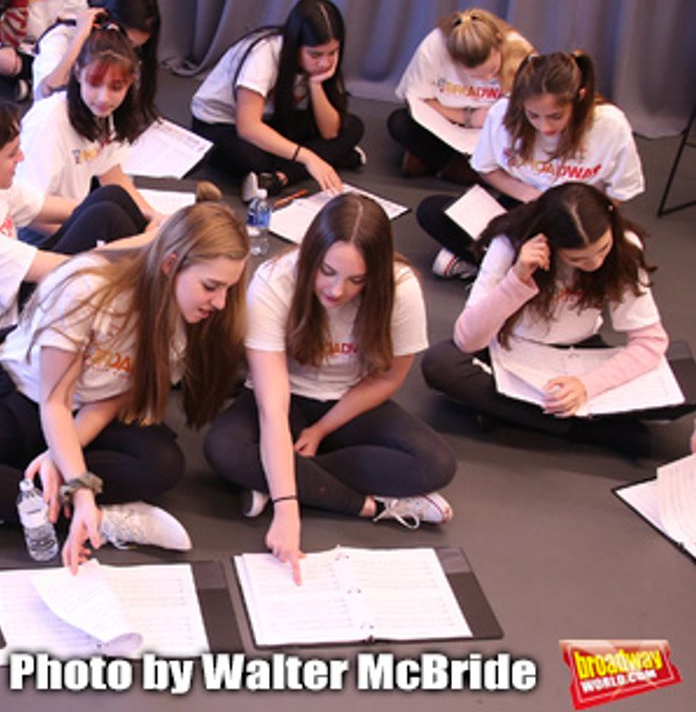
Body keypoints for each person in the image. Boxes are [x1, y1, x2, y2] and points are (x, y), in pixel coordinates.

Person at [0, 203, 249, 570]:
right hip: (25, 397)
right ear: (170, 265)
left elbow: (113, 397)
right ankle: (97, 517)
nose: (220, 303)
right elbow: (54, 402)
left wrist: (60, 456)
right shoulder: (87, 290)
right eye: (211, 287)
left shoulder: (187, 320)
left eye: (227, 289)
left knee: (162, 464)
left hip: (88, 411)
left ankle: (7, 501)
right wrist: (80, 492)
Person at [203, 194, 457, 584]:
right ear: (311, 257)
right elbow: (272, 406)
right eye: (327, 271)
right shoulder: (275, 281)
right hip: (282, 397)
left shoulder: (401, 287)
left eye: (357, 280)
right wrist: (288, 511)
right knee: (223, 449)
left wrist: (322, 429)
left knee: (436, 464)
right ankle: (369, 504)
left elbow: (388, 379)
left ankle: (270, 479)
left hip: (350, 401)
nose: (338, 291)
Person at [421, 183, 692, 455]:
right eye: (578, 258)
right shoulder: (509, 244)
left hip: (578, 351)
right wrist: (516, 279)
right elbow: (467, 340)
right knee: (441, 364)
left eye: (602, 249)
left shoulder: (624, 247)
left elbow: (650, 341)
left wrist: (587, 386)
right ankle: (583, 427)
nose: (595, 263)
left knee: (687, 382)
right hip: (509, 349)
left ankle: (515, 413)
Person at [0, 91, 155, 357]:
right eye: (12, 154)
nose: (21, 158)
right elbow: (77, 268)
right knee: (115, 238)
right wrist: (153, 240)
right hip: (7, 336)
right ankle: (155, 316)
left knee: (108, 200)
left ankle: (160, 285)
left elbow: (63, 207)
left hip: (11, 293)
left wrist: (153, 219)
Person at [416, 51, 644, 279]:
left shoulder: (610, 124)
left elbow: (622, 191)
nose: (544, 127)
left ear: (580, 98)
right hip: (526, 206)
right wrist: (530, 195)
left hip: (578, 217)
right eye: (533, 115)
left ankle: (502, 267)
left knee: (620, 255)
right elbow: (486, 169)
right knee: (433, 211)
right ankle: (528, 270)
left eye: (556, 116)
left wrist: (579, 215)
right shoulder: (502, 114)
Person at [190, 0, 364, 201]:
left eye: (332, 53)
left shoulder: (322, 67)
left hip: (272, 118)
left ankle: (280, 178)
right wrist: (309, 157)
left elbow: (330, 132)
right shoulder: (263, 55)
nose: (325, 63)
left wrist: (315, 85)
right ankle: (327, 157)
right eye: (315, 55)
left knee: (353, 126)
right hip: (221, 124)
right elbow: (248, 127)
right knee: (254, 159)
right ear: (295, 45)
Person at [14, 26, 160, 222]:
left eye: (116, 87)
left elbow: (111, 173)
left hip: (75, 219)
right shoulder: (49, 121)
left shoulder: (107, 116)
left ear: (130, 83)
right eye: (94, 84)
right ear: (78, 73)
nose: (104, 98)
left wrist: (154, 217)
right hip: (42, 230)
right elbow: (24, 209)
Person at [389, 8, 533, 183]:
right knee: (400, 123)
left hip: (491, 132)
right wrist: (468, 117)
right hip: (449, 122)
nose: (487, 79)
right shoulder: (436, 46)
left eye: (492, 71)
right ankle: (460, 167)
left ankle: (439, 163)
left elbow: (531, 109)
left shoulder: (518, 50)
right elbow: (419, 100)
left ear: (499, 42)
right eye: (475, 76)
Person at [31, 0, 160, 105]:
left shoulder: (130, 51)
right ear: (109, 25)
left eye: (136, 47)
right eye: (128, 43)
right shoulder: (61, 36)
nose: (129, 52)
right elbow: (48, 92)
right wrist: (80, 36)